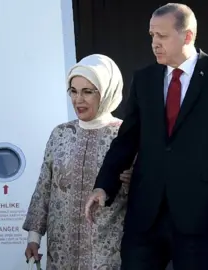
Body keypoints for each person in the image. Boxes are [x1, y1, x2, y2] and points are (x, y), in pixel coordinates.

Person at [85, 3, 208, 270]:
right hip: (146, 214)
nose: (154, 43)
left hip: (200, 214)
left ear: (187, 36)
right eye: (152, 36)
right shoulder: (145, 79)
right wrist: (103, 185)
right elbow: (127, 139)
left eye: (162, 36)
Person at [22, 54, 132, 269]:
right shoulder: (60, 134)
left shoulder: (125, 135)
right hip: (61, 250)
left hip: (107, 249)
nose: (78, 100)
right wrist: (33, 237)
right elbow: (44, 187)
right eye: (73, 91)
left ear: (106, 92)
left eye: (87, 92)